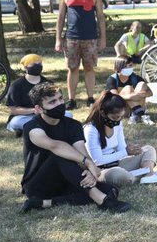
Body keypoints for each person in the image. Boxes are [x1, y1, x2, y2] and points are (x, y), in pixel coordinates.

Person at [20, 82, 130, 213]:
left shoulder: (73, 125)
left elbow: (82, 152)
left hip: (67, 180)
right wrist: (88, 162)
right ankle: (103, 201)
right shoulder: (32, 127)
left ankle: (43, 203)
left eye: (60, 99)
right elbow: (55, 146)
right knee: (60, 155)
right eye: (52, 102)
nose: (59, 104)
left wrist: (89, 171)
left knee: (111, 190)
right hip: (39, 186)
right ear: (38, 108)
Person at [82, 91, 157, 186]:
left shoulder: (117, 124)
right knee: (117, 174)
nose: (118, 121)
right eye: (115, 118)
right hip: (101, 170)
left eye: (120, 117)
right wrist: (126, 152)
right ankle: (141, 175)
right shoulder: (91, 129)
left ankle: (148, 174)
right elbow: (97, 160)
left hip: (118, 163)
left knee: (148, 150)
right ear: (102, 113)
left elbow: (122, 149)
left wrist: (133, 151)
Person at [54, 0, 106, 102]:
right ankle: (72, 100)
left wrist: (103, 39)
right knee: (73, 69)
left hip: (90, 38)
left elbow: (101, 17)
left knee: (89, 68)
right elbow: (60, 18)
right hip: (71, 38)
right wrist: (58, 39)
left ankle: (90, 98)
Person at [6, 53, 55, 136]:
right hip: (24, 117)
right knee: (16, 122)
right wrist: (33, 111)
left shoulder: (48, 83)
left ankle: (31, 128)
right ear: (25, 67)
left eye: (39, 64)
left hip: (45, 115)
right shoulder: (16, 85)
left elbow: (54, 102)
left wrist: (46, 111)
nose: (37, 66)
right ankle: (45, 127)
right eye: (33, 64)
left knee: (68, 114)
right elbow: (13, 110)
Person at [106, 55, 155, 124]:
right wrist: (130, 96)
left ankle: (136, 113)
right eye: (128, 66)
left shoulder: (135, 78)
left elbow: (151, 93)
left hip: (137, 104)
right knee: (128, 88)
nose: (131, 68)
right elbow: (114, 97)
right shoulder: (112, 79)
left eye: (131, 65)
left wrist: (142, 94)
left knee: (142, 84)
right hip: (121, 108)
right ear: (120, 67)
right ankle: (141, 114)